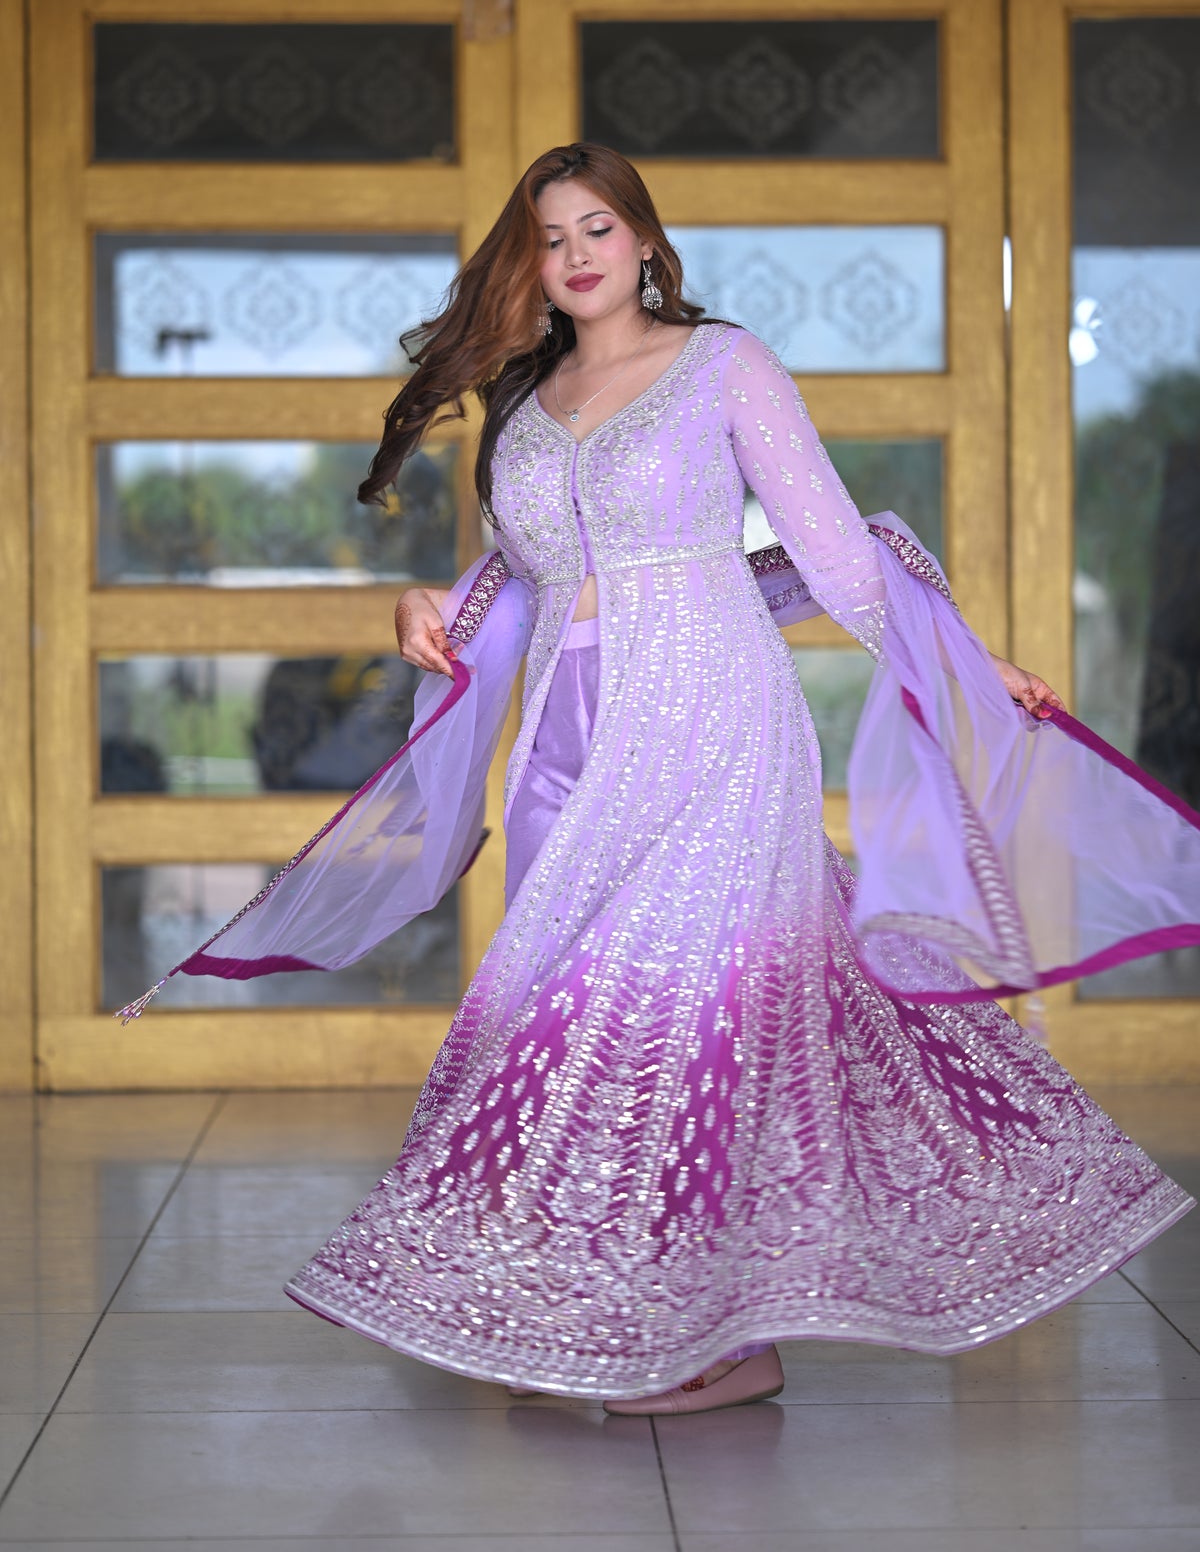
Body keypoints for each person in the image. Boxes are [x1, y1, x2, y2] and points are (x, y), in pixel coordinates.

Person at [118, 143, 1197, 1413]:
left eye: (597, 228)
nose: (575, 255)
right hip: (563, 745)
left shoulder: (723, 364)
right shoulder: (528, 403)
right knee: (566, 1010)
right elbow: (520, 575)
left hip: (710, 719)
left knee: (683, 1015)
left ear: (643, 240)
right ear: (529, 263)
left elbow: (836, 553)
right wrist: (427, 606)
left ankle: (715, 1344)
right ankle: (605, 1309)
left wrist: (972, 664)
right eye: (550, 238)